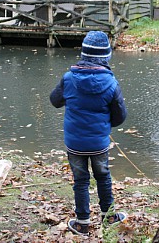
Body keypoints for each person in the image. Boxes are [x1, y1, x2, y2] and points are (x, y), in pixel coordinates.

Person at [50, 31, 128, 236]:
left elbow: (54, 101)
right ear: (106, 58)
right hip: (99, 143)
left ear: (83, 55)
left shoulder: (68, 79)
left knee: (81, 180)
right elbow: (120, 117)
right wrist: (105, 123)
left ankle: (83, 223)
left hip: (74, 143)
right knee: (103, 177)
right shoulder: (111, 83)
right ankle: (108, 217)